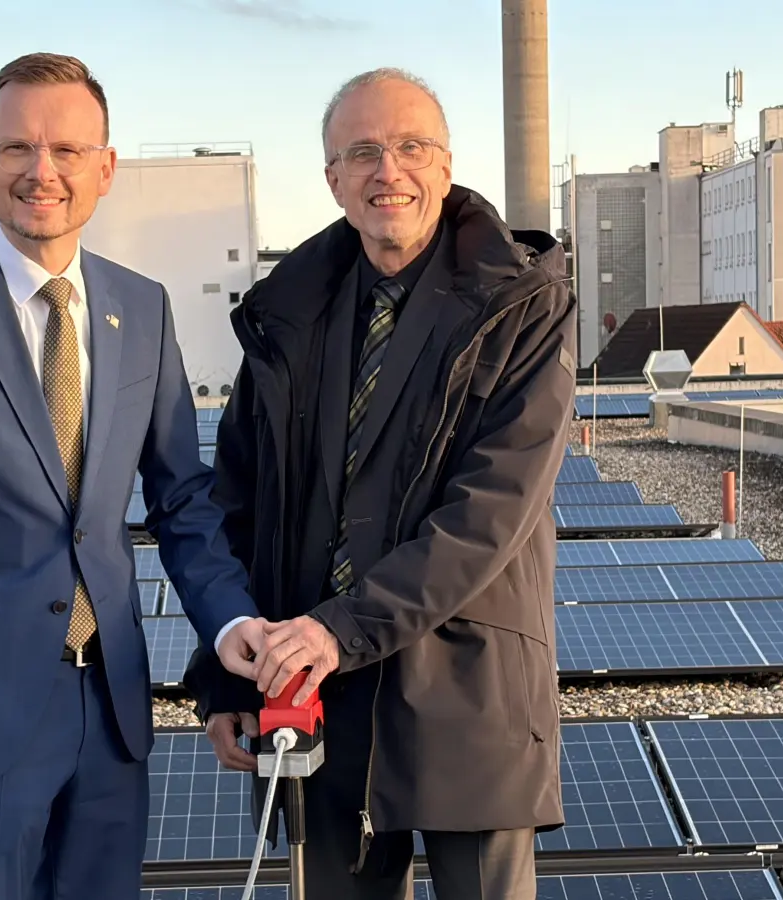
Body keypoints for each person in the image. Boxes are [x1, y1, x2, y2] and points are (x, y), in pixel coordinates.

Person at [0, 52, 269, 900]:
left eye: (67, 150)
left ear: (105, 168)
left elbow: (180, 500)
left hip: (110, 714)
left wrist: (228, 621)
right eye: (18, 148)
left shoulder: (142, 308)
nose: (42, 172)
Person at [184, 67, 577, 899]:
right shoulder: (286, 314)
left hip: (466, 689)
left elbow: (489, 514)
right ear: (331, 178)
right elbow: (239, 500)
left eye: (409, 147)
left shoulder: (523, 307)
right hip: (313, 693)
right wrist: (224, 672)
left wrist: (341, 628)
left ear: (445, 165)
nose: (386, 171)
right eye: (361, 152)